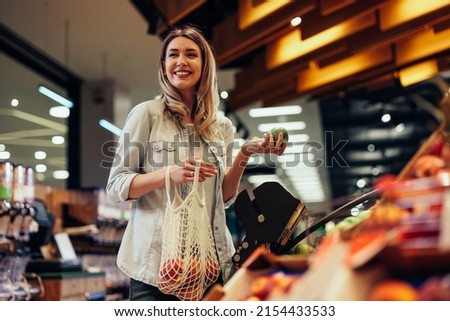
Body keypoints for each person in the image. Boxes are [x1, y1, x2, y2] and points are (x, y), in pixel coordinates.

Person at [106, 24, 286, 301]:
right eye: (173, 54)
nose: (181, 61)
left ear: (205, 65)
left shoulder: (221, 126)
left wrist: (244, 154)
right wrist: (169, 173)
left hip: (208, 264)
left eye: (191, 54)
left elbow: (223, 197)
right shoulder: (147, 115)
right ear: (164, 65)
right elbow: (117, 186)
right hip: (156, 268)